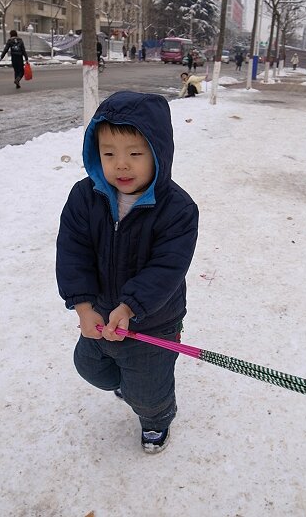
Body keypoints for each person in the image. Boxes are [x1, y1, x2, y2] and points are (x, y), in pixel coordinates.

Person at [56, 91, 199, 454]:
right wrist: (84, 307)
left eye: (135, 154)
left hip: (153, 322)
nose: (121, 165)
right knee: (88, 366)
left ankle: (157, 420)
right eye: (109, 154)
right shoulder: (83, 197)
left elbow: (167, 268)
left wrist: (132, 306)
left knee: (148, 391)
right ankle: (127, 385)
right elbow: (73, 252)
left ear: (158, 153)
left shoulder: (178, 210)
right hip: (102, 315)